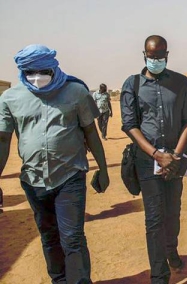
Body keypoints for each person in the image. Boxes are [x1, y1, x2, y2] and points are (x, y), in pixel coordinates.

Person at [0, 44, 109, 284]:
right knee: (49, 236)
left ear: (54, 68)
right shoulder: (10, 98)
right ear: (22, 72)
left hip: (69, 176)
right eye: (30, 72)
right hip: (34, 180)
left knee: (72, 237)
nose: (37, 78)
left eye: (43, 71)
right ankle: (58, 280)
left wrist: (102, 168)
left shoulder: (76, 92)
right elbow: (3, 140)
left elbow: (91, 133)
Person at [120, 35, 187, 283]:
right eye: (151, 57)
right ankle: (159, 274)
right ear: (144, 55)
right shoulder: (132, 85)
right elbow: (130, 125)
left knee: (173, 211)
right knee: (154, 217)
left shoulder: (181, 82)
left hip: (176, 158)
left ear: (167, 55)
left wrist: (173, 156)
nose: (156, 60)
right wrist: (155, 154)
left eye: (160, 56)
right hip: (147, 159)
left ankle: (171, 250)